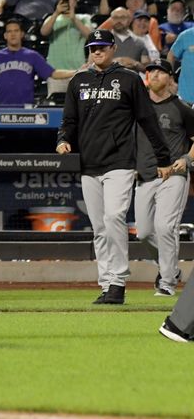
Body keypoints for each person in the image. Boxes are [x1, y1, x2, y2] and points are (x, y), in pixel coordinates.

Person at [58, 28, 171, 305]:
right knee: (98, 226)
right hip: (89, 162)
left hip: (120, 161)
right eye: (92, 47)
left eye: (101, 47)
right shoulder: (79, 81)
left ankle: (118, 281)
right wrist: (63, 139)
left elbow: (147, 119)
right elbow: (69, 120)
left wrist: (163, 156)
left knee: (113, 219)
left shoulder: (129, 79)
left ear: (113, 48)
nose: (96, 52)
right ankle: (106, 282)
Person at [133, 60, 194, 297]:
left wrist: (186, 160)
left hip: (174, 176)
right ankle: (172, 268)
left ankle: (167, 282)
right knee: (144, 232)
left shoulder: (181, 108)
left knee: (165, 226)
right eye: (150, 71)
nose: (154, 75)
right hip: (146, 176)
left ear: (170, 78)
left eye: (159, 71)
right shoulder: (138, 108)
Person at [0, 19, 75, 107]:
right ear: (5, 35)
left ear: (22, 34)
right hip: (0, 107)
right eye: (9, 31)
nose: (13, 34)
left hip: (25, 108)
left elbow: (54, 74)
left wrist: (76, 71)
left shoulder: (32, 56)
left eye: (16, 31)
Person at [41, 0, 94, 95]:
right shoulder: (52, 18)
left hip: (78, 70)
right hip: (56, 72)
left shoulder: (84, 18)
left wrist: (73, 18)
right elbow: (44, 32)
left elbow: (90, 36)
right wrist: (56, 13)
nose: (66, 1)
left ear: (76, 1)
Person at [102, 7, 150, 72]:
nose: (119, 21)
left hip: (131, 80)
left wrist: (134, 63)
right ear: (111, 20)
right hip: (107, 80)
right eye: (115, 18)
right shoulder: (102, 41)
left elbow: (147, 69)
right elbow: (91, 65)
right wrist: (113, 62)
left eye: (122, 18)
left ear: (129, 20)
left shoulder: (139, 43)